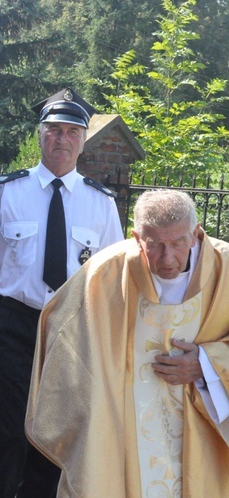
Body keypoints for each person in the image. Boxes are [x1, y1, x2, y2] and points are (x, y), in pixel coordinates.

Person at [0, 88, 124, 497]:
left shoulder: (100, 204)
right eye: (53, 130)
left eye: (71, 131)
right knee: (6, 432)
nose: (61, 139)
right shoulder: (6, 192)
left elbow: (114, 280)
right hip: (15, 322)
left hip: (71, 329)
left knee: (53, 440)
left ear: (83, 140)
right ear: (39, 135)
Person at [27, 189, 229, 496]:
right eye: (155, 245)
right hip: (123, 430)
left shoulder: (225, 269)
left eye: (177, 243)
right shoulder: (103, 275)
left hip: (204, 434)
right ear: (136, 237)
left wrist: (207, 364)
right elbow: (63, 335)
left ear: (195, 234)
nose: (167, 258)